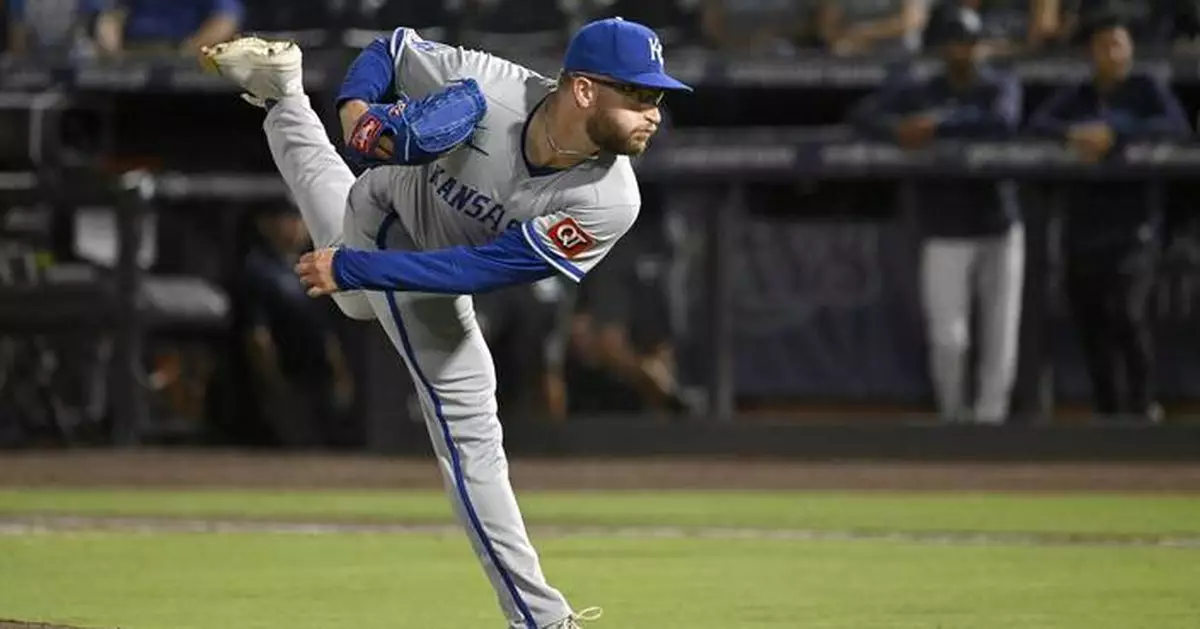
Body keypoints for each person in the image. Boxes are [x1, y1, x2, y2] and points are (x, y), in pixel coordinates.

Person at [201, 16, 690, 629]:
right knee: (469, 422)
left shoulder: (610, 200)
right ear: (585, 90)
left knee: (350, 293)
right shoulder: (489, 86)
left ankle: (283, 96)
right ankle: (540, 618)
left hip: (428, 258)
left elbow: (482, 268)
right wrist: (356, 114)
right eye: (640, 95)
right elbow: (390, 48)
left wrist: (358, 270)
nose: (654, 113)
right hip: (389, 210)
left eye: (658, 98)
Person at [849, 5, 1024, 423]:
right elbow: (863, 114)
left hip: (998, 222)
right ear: (941, 48)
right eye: (954, 42)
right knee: (949, 339)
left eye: (969, 42)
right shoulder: (922, 89)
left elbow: (1002, 122)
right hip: (944, 224)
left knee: (1000, 338)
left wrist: (937, 127)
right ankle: (953, 419)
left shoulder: (998, 85)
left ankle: (990, 424)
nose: (963, 50)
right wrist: (898, 130)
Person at [1028, 11, 1191, 422]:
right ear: (1091, 52)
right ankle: (1108, 413)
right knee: (1090, 320)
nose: (1111, 53)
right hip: (1083, 225)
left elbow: (1176, 128)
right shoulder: (1079, 94)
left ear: (1130, 49)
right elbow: (1036, 125)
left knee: (1127, 313)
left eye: (1118, 44)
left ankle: (1142, 405)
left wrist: (1115, 133)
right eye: (1103, 45)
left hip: (1133, 224)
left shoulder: (1146, 87)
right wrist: (1075, 133)